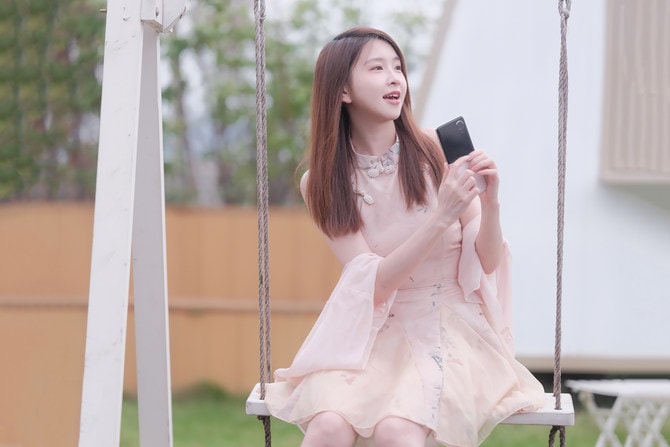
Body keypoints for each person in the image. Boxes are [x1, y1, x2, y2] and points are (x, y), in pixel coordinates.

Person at [264, 26, 545, 447]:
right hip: (379, 332)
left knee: (396, 431)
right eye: (377, 68)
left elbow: (486, 262)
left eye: (398, 67)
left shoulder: (436, 149)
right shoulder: (322, 181)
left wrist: (491, 205)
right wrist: (440, 216)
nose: (394, 78)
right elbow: (373, 286)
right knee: (328, 427)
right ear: (343, 91)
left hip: (449, 327)